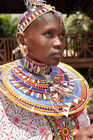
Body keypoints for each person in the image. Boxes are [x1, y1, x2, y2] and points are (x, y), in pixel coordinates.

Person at [0, 0, 91, 139]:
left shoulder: (72, 85)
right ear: (22, 40)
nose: (59, 43)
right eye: (49, 34)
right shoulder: (3, 92)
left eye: (62, 35)